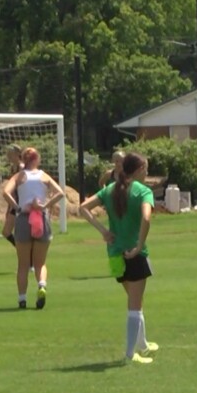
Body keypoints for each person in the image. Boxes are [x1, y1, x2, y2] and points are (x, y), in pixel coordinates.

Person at [79, 152, 160, 364]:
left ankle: (142, 344)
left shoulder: (110, 189)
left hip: (114, 254)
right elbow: (146, 217)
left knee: (135, 299)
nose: (147, 174)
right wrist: (139, 245)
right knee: (134, 303)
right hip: (134, 254)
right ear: (140, 170)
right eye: (146, 169)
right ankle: (130, 353)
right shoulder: (143, 191)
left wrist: (103, 231)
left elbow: (83, 208)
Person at [2, 147, 65, 309]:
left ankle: (22, 298)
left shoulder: (19, 176)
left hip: (24, 218)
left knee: (23, 264)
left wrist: (18, 207)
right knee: (40, 263)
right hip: (40, 218)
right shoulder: (44, 176)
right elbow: (60, 193)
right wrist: (45, 205)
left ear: (24, 159)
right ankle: (42, 285)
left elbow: (5, 192)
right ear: (37, 159)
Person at [1, 144, 23, 246]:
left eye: (11, 153)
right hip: (14, 204)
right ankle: (22, 251)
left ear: (17, 154)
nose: (8, 155)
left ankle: (25, 252)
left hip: (21, 203)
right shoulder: (12, 168)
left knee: (11, 232)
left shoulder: (22, 167)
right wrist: (9, 207)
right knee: (6, 232)